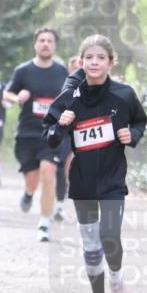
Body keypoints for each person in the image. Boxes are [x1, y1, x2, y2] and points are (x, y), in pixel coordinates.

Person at [42, 34, 147, 293]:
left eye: (101, 57)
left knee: (110, 235)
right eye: (89, 58)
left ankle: (116, 279)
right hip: (83, 180)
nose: (94, 62)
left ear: (111, 62)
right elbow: (49, 138)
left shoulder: (124, 94)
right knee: (90, 245)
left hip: (113, 178)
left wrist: (133, 135)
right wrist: (61, 125)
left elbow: (140, 121)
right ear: (80, 62)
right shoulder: (70, 97)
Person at [3, 28, 71, 241]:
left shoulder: (62, 72)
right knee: (32, 179)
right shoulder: (23, 71)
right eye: (41, 40)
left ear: (54, 45)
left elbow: (72, 96)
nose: (45, 44)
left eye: (49, 41)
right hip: (27, 132)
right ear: (35, 44)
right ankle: (29, 193)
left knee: (48, 174)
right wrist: (17, 99)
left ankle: (44, 223)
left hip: (52, 131)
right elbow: (6, 93)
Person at [53, 55, 81, 219]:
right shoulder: (61, 83)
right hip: (58, 129)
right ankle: (57, 203)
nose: (76, 69)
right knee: (57, 166)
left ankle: (59, 205)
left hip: (75, 131)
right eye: (73, 65)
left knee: (64, 164)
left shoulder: (85, 84)